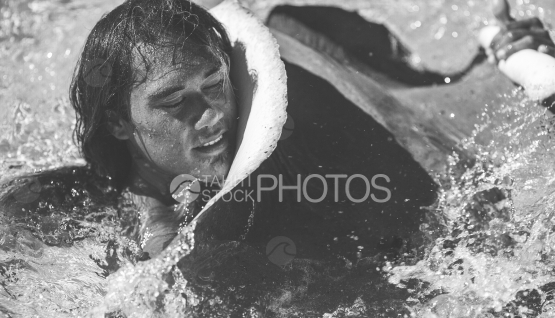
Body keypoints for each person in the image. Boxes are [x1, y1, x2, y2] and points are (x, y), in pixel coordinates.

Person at [63, 0, 555, 269]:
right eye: (174, 103)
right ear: (118, 121)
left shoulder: (303, 109)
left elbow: (425, 127)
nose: (211, 116)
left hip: (321, 46)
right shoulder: (101, 218)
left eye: (215, 86)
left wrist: (508, 64)